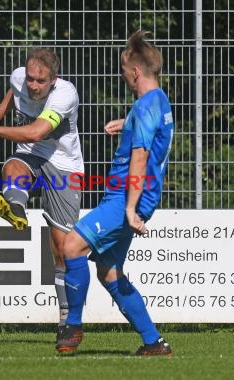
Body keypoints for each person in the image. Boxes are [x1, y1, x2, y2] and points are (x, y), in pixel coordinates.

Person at [55, 30, 174, 356]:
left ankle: (72, 325)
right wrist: (127, 122)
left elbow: (141, 158)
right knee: (108, 271)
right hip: (130, 196)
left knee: (72, 245)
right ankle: (154, 342)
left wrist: (130, 209)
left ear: (135, 71)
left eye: (124, 70)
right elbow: (156, 131)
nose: (123, 75)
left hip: (127, 197)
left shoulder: (146, 107)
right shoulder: (157, 102)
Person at [0, 48, 84, 339]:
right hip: (30, 155)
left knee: (61, 250)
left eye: (41, 81)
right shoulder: (19, 78)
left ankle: (67, 320)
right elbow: (14, 93)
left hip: (64, 165)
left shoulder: (65, 94)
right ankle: (16, 209)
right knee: (12, 167)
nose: (33, 85)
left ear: (53, 80)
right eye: (31, 78)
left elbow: (36, 132)